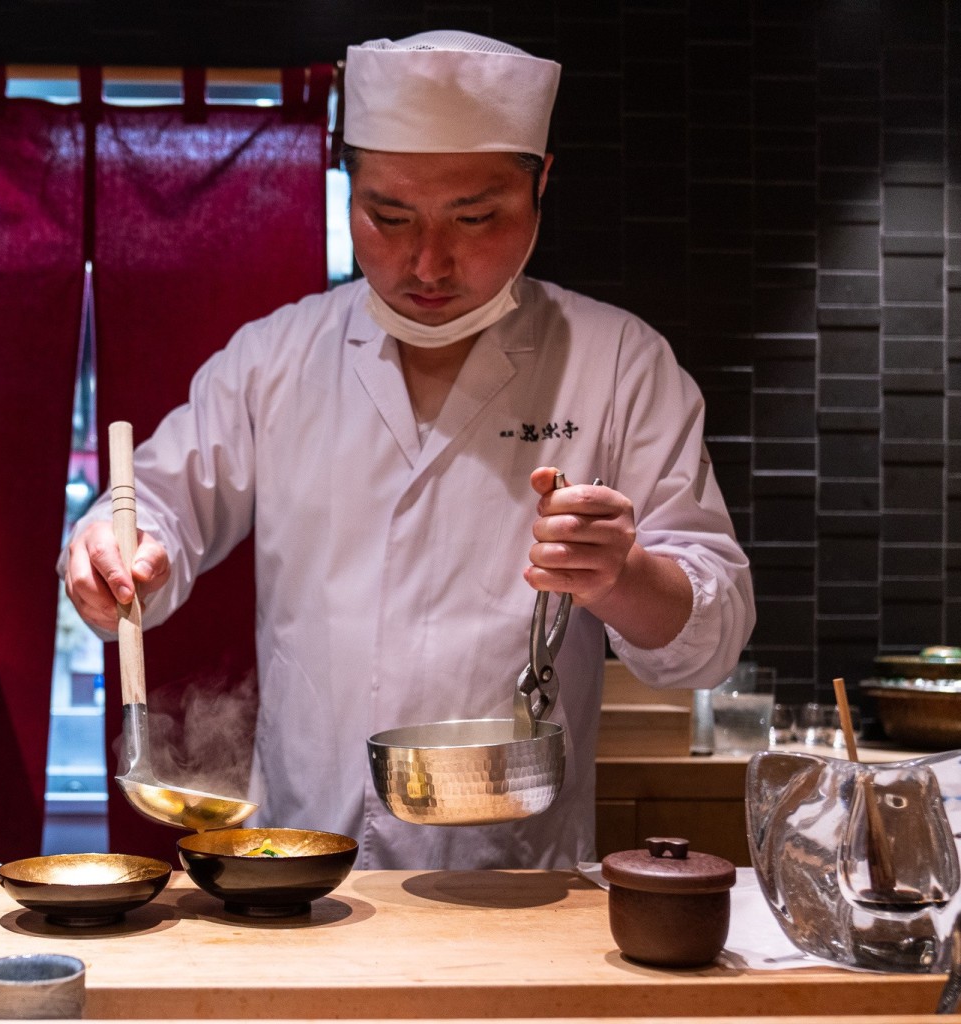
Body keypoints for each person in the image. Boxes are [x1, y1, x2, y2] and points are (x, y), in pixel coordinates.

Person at [61, 30, 755, 869]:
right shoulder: (274, 358)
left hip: (513, 878)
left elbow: (709, 638)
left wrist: (623, 577)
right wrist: (116, 554)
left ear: (542, 188)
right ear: (347, 193)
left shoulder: (618, 362)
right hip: (296, 870)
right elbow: (158, 504)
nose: (428, 263)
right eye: (388, 217)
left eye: (476, 217)